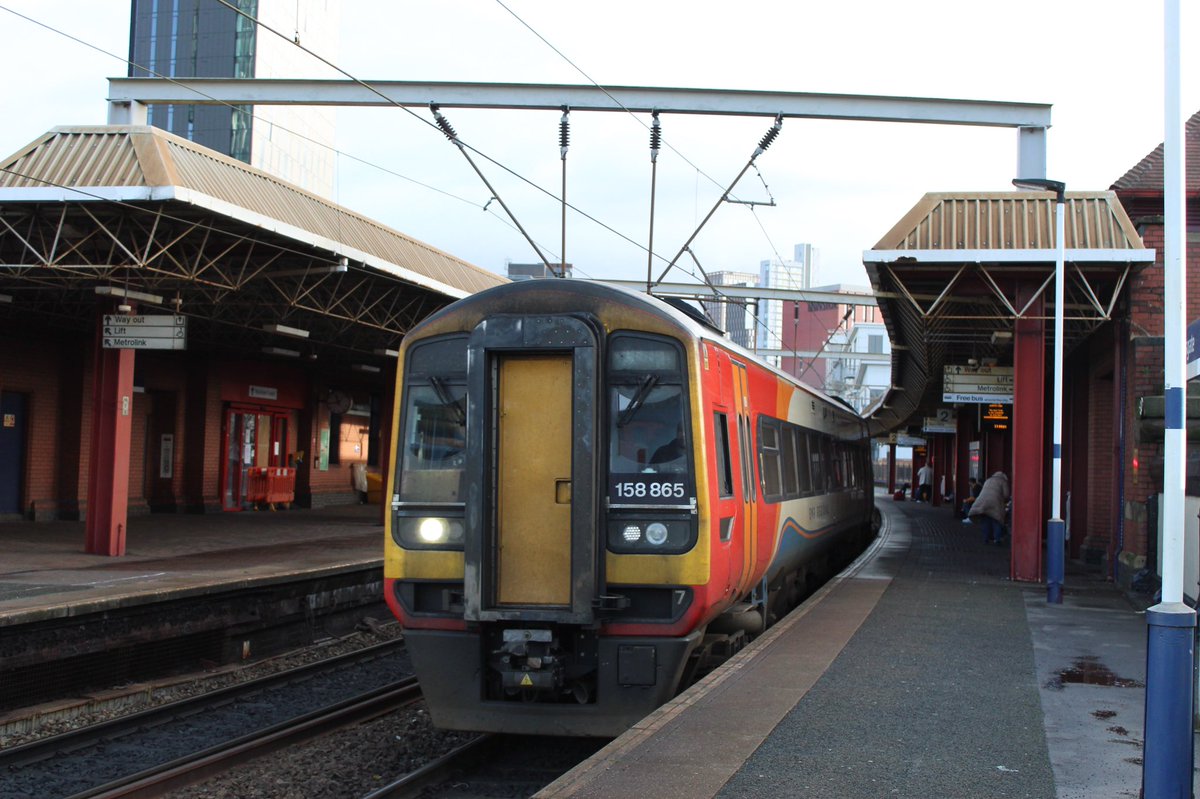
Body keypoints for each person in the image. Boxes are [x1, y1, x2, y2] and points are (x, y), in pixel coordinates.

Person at [968, 471, 1011, 544]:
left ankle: (986, 539)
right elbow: (1006, 494)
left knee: (985, 521)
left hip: (983, 502)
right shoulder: (1003, 481)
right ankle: (997, 539)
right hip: (995, 503)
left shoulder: (988, 480)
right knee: (996, 520)